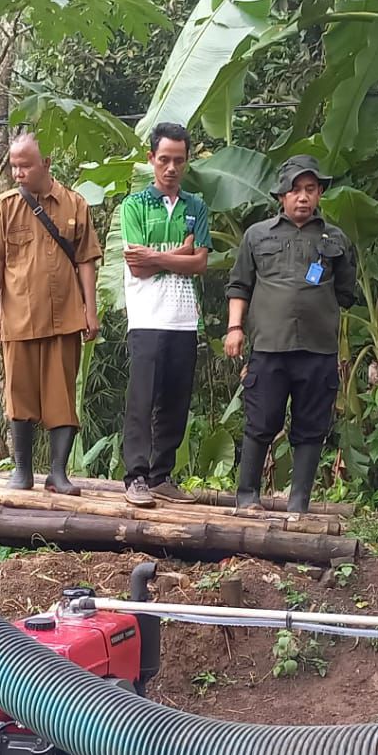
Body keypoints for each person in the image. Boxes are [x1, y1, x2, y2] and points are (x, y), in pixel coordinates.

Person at [225, 156, 359, 515]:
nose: (303, 197)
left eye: (310, 190)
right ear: (281, 195)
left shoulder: (337, 239)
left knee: (311, 425)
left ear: (319, 194)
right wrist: (235, 328)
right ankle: (247, 496)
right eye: (295, 190)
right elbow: (240, 285)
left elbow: (347, 291)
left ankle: (299, 501)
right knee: (260, 420)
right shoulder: (258, 235)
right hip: (270, 345)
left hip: (317, 348)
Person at [0, 132, 101, 496]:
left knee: (62, 396)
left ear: (46, 163)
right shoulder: (5, 206)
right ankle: (22, 470)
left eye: (25, 165)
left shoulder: (75, 204)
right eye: (14, 165)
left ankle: (58, 474)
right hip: (18, 317)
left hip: (65, 316)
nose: (18, 172)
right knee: (20, 394)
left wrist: (90, 311)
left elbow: (87, 261)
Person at [119, 123, 212, 508]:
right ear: (151, 160)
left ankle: (161, 476)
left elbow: (200, 264)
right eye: (164, 160)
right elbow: (136, 267)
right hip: (146, 318)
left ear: (187, 161)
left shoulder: (197, 206)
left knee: (175, 401)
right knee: (142, 400)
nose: (171, 168)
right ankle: (136, 476)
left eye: (178, 160)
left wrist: (158, 257)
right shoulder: (134, 206)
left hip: (183, 319)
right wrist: (179, 255)